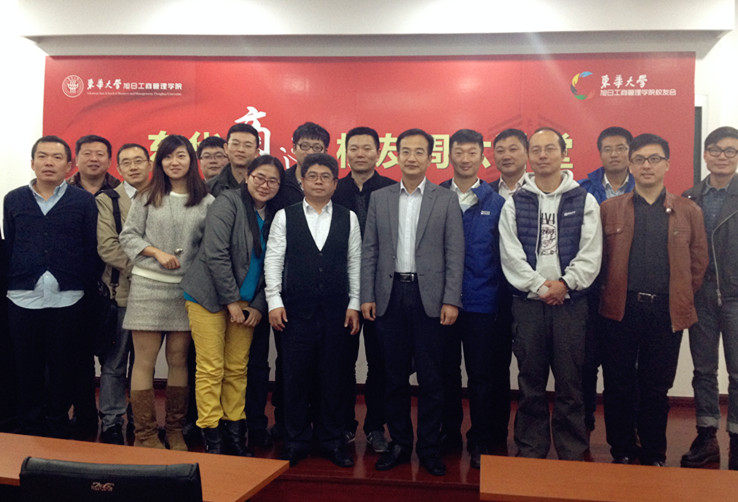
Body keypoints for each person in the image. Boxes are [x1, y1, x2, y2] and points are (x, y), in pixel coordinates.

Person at [599, 133, 707, 466]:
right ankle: (621, 448)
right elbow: (599, 261)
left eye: (655, 159)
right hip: (620, 308)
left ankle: (653, 451)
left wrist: (680, 294)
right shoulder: (610, 209)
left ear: (667, 164)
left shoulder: (688, 210)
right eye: (640, 159)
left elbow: (698, 262)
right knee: (617, 383)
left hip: (665, 311)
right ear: (630, 165)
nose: (647, 165)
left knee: (656, 386)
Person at [361, 128, 464, 476]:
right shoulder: (380, 198)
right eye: (405, 151)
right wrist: (367, 295)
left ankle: (429, 448)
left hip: (430, 298)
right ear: (396, 155)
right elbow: (370, 250)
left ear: (431, 158)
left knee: (432, 378)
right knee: (393, 377)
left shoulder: (445, 199)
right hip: (390, 296)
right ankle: (401, 444)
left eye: (419, 152)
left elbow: (455, 253)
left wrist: (451, 299)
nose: (412, 158)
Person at [498, 127, 602, 461]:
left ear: (563, 154)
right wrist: (540, 287)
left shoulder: (583, 199)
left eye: (550, 149)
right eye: (537, 150)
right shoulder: (515, 202)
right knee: (530, 380)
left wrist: (565, 284)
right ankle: (531, 447)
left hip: (571, 304)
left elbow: (591, 252)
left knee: (571, 382)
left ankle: (572, 449)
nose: (543, 155)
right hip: (529, 305)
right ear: (529, 156)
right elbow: (510, 255)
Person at [182, 155, 284, 456]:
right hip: (209, 297)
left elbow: (276, 265)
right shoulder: (227, 202)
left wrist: (258, 306)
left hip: (248, 302)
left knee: (237, 369)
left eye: (273, 181)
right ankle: (212, 436)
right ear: (247, 176)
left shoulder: (277, 214)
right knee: (211, 368)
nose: (265, 185)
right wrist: (230, 301)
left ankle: (234, 434)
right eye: (260, 177)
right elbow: (215, 253)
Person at [265, 153, 361, 468]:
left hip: (337, 312)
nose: (319, 182)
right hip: (295, 312)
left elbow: (354, 262)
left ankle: (332, 441)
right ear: (302, 181)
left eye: (325, 177)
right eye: (313, 176)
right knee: (295, 378)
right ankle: (295, 441)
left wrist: (354, 303)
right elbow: (274, 259)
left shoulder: (348, 217)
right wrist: (274, 301)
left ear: (335, 183)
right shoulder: (285, 216)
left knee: (333, 377)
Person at [120, 134, 213, 450]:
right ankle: (145, 434)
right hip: (147, 287)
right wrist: (156, 252)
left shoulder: (207, 201)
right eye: (168, 156)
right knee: (144, 362)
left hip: (185, 293)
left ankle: (174, 430)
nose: (175, 162)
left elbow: (211, 248)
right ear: (159, 162)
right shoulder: (146, 196)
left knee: (179, 360)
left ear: (191, 160)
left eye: (181, 155)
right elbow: (128, 237)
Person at [4, 136, 98, 438]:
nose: (49, 162)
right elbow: (12, 243)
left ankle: (57, 424)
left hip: (69, 297)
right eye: (42, 156)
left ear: (69, 165)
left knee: (64, 367)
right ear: (32, 163)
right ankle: (30, 425)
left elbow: (90, 248)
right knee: (26, 367)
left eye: (57, 157)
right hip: (22, 297)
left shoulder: (82, 201)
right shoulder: (13, 199)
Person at [439, 129, 506, 469]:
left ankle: (480, 438)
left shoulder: (496, 202)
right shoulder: (436, 196)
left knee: (481, 377)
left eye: (471, 153)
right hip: (443, 303)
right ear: (449, 155)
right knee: (445, 374)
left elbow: (504, 256)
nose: (465, 159)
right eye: (459, 152)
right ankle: (448, 434)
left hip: (483, 302)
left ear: (482, 156)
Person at [332, 126, 396, 452]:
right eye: (354, 148)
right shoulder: (333, 189)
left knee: (379, 362)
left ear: (378, 152)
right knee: (340, 361)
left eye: (367, 148)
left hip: (382, 289)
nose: (360, 153)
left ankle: (375, 427)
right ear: (345, 152)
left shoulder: (392, 189)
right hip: (339, 289)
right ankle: (343, 425)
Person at [268, 120, 332, 443]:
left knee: (328, 368)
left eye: (316, 147)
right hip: (290, 298)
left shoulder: (337, 197)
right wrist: (274, 297)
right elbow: (274, 253)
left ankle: (326, 432)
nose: (309, 152)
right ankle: (288, 429)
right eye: (304, 146)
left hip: (330, 300)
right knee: (290, 366)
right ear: (293, 148)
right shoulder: (278, 184)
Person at [681, 126, 738, 469]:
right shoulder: (690, 197)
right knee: (703, 370)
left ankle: (737, 436)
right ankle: (706, 437)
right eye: (715, 150)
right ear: (704, 155)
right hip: (700, 293)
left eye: (730, 151)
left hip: (736, 295)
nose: (722, 156)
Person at [578, 126, 634, 433]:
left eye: (621, 148)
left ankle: (623, 434)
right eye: (608, 149)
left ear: (630, 152)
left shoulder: (645, 188)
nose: (614, 154)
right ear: (600, 153)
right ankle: (583, 423)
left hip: (627, 288)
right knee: (585, 363)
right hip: (587, 290)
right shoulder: (582, 189)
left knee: (621, 367)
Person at [96, 143, 152, 444]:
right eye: (126, 162)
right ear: (118, 169)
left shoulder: (164, 197)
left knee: (145, 362)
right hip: (122, 292)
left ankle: (141, 420)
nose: (133, 167)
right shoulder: (108, 199)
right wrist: (145, 269)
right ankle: (112, 421)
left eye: (139, 161)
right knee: (115, 362)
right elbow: (107, 246)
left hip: (156, 296)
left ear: (149, 164)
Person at [68, 134, 121, 435]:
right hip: (74, 285)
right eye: (87, 153)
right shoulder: (64, 191)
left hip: (113, 286)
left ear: (109, 160)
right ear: (75, 158)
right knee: (78, 355)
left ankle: (114, 419)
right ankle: (85, 415)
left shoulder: (121, 192)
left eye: (100, 153)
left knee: (112, 356)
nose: (94, 159)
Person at [208, 124, 260, 197]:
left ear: (256, 153)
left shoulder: (264, 186)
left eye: (247, 145)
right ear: (226, 148)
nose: (241, 150)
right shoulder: (210, 187)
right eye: (235, 144)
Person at [492, 128, 528, 199]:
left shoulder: (538, 189)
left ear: (527, 153)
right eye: (500, 151)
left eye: (513, 149)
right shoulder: (486, 192)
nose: (506, 157)